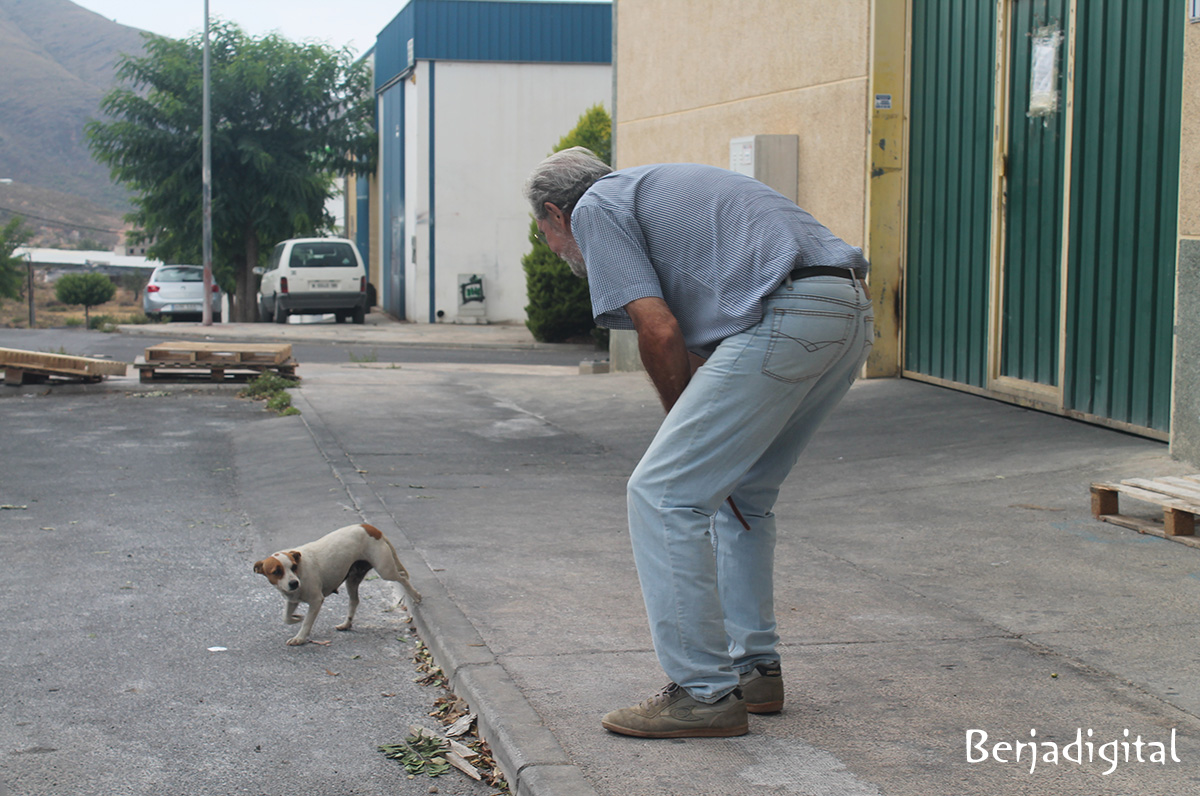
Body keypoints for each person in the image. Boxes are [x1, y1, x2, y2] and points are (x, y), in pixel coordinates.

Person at [524, 147, 873, 739]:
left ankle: (704, 694)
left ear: (556, 214)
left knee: (662, 493)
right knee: (743, 495)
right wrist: (702, 443)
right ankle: (754, 671)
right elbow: (692, 344)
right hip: (844, 311)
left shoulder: (596, 206)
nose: (559, 254)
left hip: (788, 313)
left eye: (547, 238)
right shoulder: (652, 194)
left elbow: (656, 330)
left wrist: (680, 436)